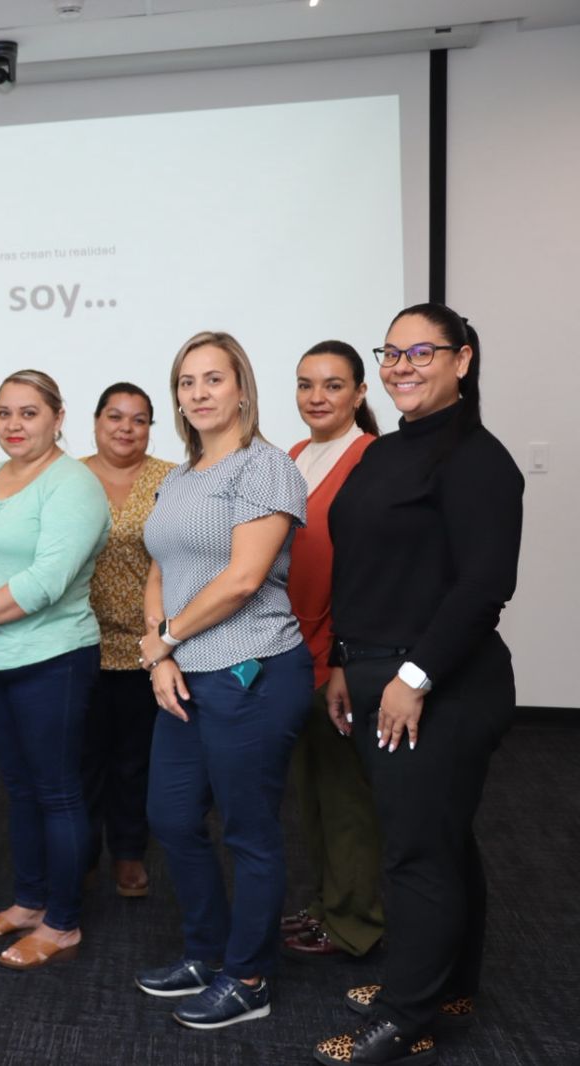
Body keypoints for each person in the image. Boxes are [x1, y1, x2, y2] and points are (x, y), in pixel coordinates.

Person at [312, 306, 521, 1066]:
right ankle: (446, 986)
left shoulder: (479, 459)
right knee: (440, 838)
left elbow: (484, 586)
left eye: (422, 352)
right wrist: (343, 658)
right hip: (376, 670)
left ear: (462, 360)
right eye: (392, 353)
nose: (402, 366)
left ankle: (406, 1019)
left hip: (440, 685)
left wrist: (414, 676)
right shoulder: (388, 451)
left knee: (416, 854)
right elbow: (364, 568)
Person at [134, 331, 312, 1029]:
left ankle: (249, 977)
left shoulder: (265, 467)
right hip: (182, 673)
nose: (199, 392)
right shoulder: (179, 477)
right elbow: (159, 568)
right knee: (172, 818)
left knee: (249, 831)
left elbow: (242, 579)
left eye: (213, 378)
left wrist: (168, 638)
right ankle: (207, 953)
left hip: (252, 670)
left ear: (242, 389)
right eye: (187, 382)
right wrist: (160, 653)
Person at [0, 370, 108, 970]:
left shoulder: (73, 484)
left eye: (29, 413)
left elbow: (47, 581)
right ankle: (30, 902)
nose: (13, 424)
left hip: (53, 659)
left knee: (57, 791)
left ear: (58, 418)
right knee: (20, 787)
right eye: (4, 412)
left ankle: (63, 923)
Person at [279, 344, 382, 963]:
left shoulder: (371, 459)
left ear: (360, 393)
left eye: (333, 385)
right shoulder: (295, 454)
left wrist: (344, 659)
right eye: (305, 384)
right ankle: (326, 905)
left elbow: (369, 571)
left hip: (339, 655)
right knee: (313, 791)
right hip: (294, 650)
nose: (317, 397)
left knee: (346, 798)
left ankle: (355, 922)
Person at [79, 383, 174, 900]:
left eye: (139, 419)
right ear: (96, 421)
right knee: (83, 757)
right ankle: (82, 853)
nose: (126, 428)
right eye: (115, 416)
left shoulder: (172, 479)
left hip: (148, 646)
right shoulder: (68, 477)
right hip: (78, 642)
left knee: (135, 759)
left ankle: (129, 851)